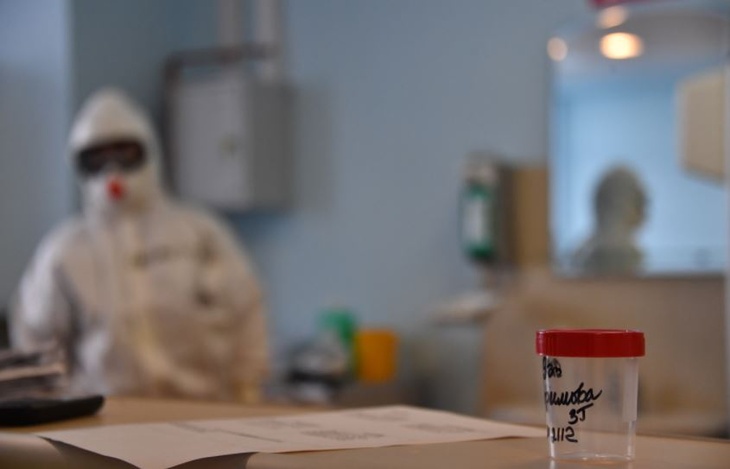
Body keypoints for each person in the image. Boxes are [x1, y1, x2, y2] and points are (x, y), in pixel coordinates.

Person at [10, 88, 268, 403]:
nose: (112, 168)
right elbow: (35, 340)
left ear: (148, 150)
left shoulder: (199, 233)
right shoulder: (64, 250)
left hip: (205, 407)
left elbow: (245, 311)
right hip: (108, 417)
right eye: (97, 156)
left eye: (124, 151)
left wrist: (246, 389)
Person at [572, 165, 648, 275]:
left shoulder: (581, 252)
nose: (643, 211)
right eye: (638, 200)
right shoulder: (621, 253)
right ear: (620, 203)